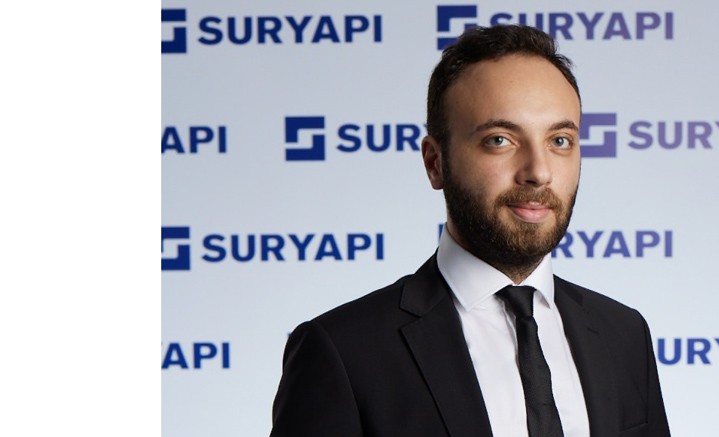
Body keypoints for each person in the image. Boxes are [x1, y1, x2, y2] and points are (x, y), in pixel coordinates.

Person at [270, 25, 671, 437]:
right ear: (435, 162)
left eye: (560, 140)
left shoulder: (624, 335)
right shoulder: (344, 352)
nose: (538, 171)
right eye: (500, 140)